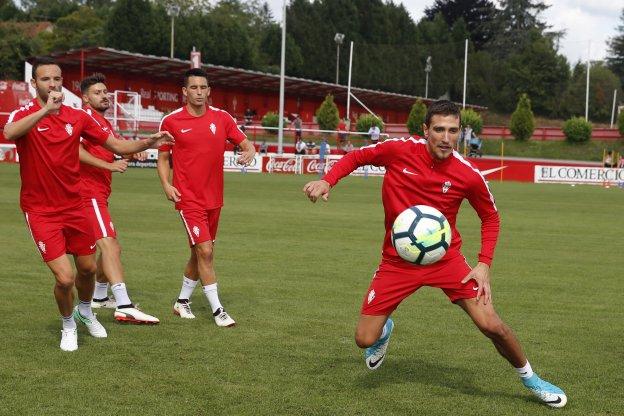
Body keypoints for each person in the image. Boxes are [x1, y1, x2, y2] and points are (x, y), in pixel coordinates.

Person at [302, 100, 567, 408]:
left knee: (491, 324)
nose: (445, 137)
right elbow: (359, 156)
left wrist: (483, 264)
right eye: (439, 129)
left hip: (447, 261)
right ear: (425, 130)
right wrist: (326, 180)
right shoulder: (398, 151)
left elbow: (491, 217)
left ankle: (531, 379)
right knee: (364, 339)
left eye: (453, 131)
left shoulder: (467, 175)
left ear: (460, 134)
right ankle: (385, 330)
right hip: (397, 262)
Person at [3, 59, 172, 351]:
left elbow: (116, 146)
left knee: (86, 269)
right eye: (46, 79)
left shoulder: (78, 116)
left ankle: (85, 310)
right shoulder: (25, 113)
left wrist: (148, 142)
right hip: (41, 210)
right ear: (35, 84)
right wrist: (46, 110)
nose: (53, 84)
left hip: (75, 206)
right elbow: (9, 133)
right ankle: (68, 325)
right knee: (65, 278)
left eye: (57, 79)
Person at [157, 68, 255, 326]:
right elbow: (164, 157)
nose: (199, 92)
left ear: (209, 91)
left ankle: (181, 301)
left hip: (215, 199)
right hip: (188, 198)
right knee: (206, 250)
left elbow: (246, 143)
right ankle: (218, 311)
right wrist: (167, 185)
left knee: (199, 254)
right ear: (184, 91)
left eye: (203, 88)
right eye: (194, 88)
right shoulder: (171, 121)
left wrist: (249, 151)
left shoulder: (222, 118)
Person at [77, 73, 159, 324]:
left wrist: (135, 153)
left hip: (99, 193)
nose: (104, 96)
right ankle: (124, 304)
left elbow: (115, 148)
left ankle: (100, 298)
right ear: (85, 98)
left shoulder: (103, 123)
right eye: (97, 93)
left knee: (112, 248)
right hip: (87, 192)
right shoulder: (84, 118)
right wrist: (108, 165)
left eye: (105, 92)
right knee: (109, 246)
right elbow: (74, 151)